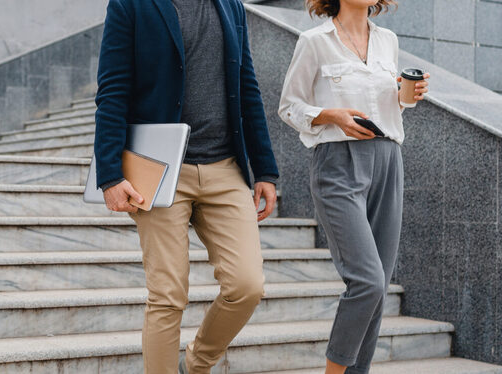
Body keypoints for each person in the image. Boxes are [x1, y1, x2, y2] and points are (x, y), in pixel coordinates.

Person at [93, 0, 281, 372]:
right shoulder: (131, 5)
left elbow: (247, 87)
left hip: (225, 167)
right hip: (158, 169)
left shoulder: (230, 6)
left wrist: (265, 170)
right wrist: (110, 175)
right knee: (167, 296)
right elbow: (112, 90)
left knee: (247, 286)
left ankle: (197, 363)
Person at [277, 0, 430, 373]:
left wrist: (406, 95)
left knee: (377, 292)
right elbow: (288, 106)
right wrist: (332, 115)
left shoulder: (387, 41)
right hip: (338, 164)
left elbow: (391, 102)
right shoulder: (314, 41)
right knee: (367, 281)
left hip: (388, 162)